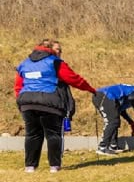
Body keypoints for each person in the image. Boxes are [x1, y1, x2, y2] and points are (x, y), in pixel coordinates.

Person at [14, 39, 96, 173]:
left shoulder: (24, 63)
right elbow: (73, 78)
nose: (60, 52)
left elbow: (18, 86)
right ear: (50, 49)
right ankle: (54, 166)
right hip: (50, 102)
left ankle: (30, 167)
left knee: (32, 134)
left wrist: (21, 101)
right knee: (53, 134)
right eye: (59, 50)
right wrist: (90, 89)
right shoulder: (55, 62)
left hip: (27, 103)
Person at [92, 84, 134, 155]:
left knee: (114, 120)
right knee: (112, 122)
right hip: (105, 96)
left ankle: (113, 146)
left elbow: (121, 111)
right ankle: (102, 147)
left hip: (100, 96)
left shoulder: (127, 94)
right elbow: (132, 98)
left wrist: (131, 122)